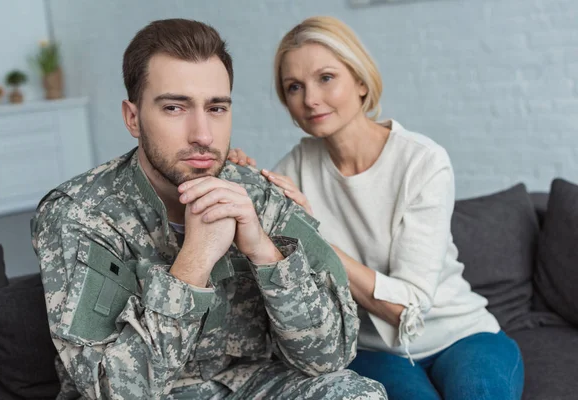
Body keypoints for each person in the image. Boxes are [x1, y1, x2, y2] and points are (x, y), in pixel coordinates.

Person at [30, 18, 388, 400]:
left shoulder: (257, 194)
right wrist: (196, 259)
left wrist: (264, 252)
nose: (202, 134)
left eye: (216, 108)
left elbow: (330, 358)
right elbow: (112, 390)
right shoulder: (79, 214)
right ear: (133, 118)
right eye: (174, 107)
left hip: (254, 385)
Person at [228, 15, 524, 400]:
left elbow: (407, 309)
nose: (310, 99)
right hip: (369, 349)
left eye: (326, 77)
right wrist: (241, 182)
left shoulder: (423, 161)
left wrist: (310, 239)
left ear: (362, 81)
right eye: (294, 87)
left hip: (461, 334)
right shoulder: (292, 171)